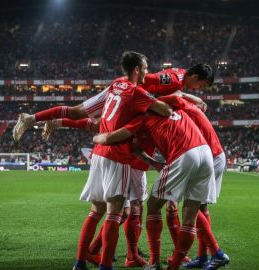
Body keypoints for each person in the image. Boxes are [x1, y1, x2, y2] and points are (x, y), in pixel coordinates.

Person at [93, 96, 229, 270]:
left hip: (184, 155)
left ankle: (154, 262)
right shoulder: (175, 107)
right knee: (191, 213)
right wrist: (195, 99)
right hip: (206, 153)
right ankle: (181, 264)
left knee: (154, 205)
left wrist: (101, 138)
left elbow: (125, 139)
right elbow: (180, 94)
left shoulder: (141, 116)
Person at [72, 51, 172, 270]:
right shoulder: (138, 93)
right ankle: (105, 265)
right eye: (145, 68)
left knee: (95, 210)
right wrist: (157, 100)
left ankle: (79, 261)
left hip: (98, 153)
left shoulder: (116, 84)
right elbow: (165, 110)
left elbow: (88, 111)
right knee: (114, 213)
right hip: (118, 157)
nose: (147, 71)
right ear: (136, 70)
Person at [12, 64, 214, 142]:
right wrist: (129, 88)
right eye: (201, 85)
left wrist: (187, 96)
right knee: (76, 112)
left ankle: (56, 122)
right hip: (123, 91)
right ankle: (30, 118)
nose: (199, 89)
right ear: (195, 76)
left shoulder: (179, 75)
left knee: (102, 126)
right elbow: (147, 78)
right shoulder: (173, 79)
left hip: (133, 99)